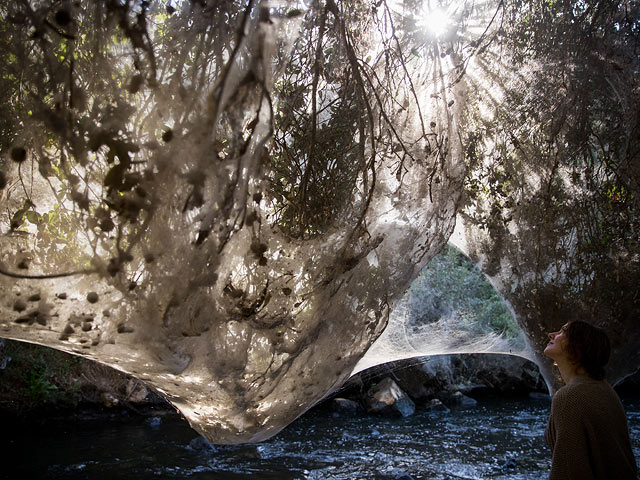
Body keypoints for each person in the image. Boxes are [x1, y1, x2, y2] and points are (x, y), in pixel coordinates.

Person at [544, 320, 638, 479]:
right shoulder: (604, 389)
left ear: (578, 346)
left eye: (563, 331)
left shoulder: (569, 397)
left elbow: (569, 471)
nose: (551, 334)